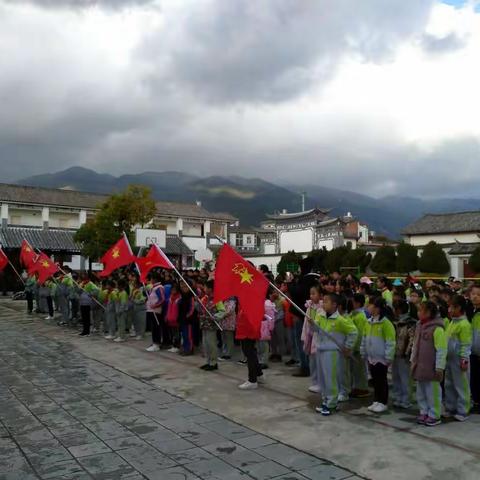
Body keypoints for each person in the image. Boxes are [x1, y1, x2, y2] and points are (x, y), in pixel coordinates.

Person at [311, 293, 358, 416]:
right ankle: (326, 401)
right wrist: (312, 324)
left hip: (332, 352)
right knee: (322, 379)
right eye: (323, 301)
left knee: (330, 378)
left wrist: (348, 346)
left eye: (326, 301)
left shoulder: (340, 320)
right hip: (320, 350)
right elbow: (316, 331)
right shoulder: (320, 316)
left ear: (334, 305)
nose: (323, 303)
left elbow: (353, 332)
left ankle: (331, 403)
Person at [410, 301, 447, 426]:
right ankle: (424, 411)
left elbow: (441, 350)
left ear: (429, 313)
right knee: (421, 392)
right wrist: (412, 361)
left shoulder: (437, 329)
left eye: (421, 310)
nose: (418, 312)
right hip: (420, 366)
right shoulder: (419, 325)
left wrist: (439, 367)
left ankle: (434, 414)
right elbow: (415, 345)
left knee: (433, 392)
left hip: (432, 367)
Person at [362, 296, 396, 414]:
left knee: (382, 380)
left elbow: (390, 342)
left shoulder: (386, 323)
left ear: (377, 308)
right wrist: (363, 351)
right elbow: (364, 338)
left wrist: (388, 356)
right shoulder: (369, 322)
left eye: (369, 305)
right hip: (371, 357)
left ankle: (383, 402)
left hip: (381, 358)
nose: (367, 307)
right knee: (375, 380)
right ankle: (376, 400)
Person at [444, 295, 472, 421]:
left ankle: (463, 410)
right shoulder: (452, 322)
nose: (449, 310)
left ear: (459, 308)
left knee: (461, 385)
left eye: (452, 307)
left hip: (459, 360)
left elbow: (466, 344)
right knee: (449, 384)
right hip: (449, 359)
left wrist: (464, 359)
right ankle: (451, 407)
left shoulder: (464, 324)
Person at [392, 299, 416, 409]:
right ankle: (398, 397)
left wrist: (407, 353)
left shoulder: (410, 323)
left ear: (399, 310)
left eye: (395, 308)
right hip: (395, 353)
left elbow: (412, 339)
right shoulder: (395, 321)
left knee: (405, 378)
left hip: (404, 355)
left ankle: (406, 399)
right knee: (396, 377)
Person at [199, 280, 224, 371]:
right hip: (204, 324)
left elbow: (222, 311)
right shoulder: (204, 298)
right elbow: (199, 308)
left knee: (211, 344)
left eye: (205, 287)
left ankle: (214, 363)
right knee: (205, 344)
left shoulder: (217, 299)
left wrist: (215, 316)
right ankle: (208, 361)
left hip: (211, 325)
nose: (204, 289)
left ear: (210, 289)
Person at [302, 284, 323, 394]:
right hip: (310, 336)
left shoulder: (322, 307)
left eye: (314, 293)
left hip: (317, 336)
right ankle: (314, 381)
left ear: (320, 295)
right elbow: (305, 323)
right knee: (312, 362)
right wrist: (304, 335)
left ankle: (320, 383)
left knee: (318, 361)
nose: (311, 296)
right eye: (310, 293)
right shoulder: (309, 306)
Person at [349, 293, 370, 398]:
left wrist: (356, 347)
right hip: (354, 348)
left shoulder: (360, 316)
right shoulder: (354, 314)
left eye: (352, 302)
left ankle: (362, 388)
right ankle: (356, 387)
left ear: (357, 303)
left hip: (358, 349)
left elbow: (360, 334)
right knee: (355, 370)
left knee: (360, 370)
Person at [145, 273, 165, 352]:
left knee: (156, 327)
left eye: (152, 279)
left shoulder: (159, 287)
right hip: (151, 310)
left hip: (156, 311)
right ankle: (154, 342)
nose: (151, 281)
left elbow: (162, 299)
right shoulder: (153, 287)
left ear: (155, 279)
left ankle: (157, 343)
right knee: (153, 327)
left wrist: (156, 305)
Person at [177, 280, 196, 356]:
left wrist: (187, 316)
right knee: (184, 335)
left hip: (189, 320)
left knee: (188, 335)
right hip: (182, 318)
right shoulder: (181, 296)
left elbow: (192, 308)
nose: (183, 288)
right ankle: (185, 348)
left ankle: (189, 349)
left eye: (185, 286)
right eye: (182, 286)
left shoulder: (191, 296)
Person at [469, 283, 480, 412]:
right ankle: (476, 401)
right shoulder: (469, 310)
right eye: (473, 294)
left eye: (478, 295)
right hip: (472, 352)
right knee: (474, 378)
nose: (475, 297)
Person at [166, 282, 181, 353]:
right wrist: (167, 316)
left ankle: (177, 345)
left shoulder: (179, 298)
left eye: (174, 290)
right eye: (172, 290)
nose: (173, 291)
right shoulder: (170, 298)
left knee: (177, 333)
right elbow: (168, 308)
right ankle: (174, 345)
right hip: (170, 318)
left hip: (176, 319)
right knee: (172, 332)